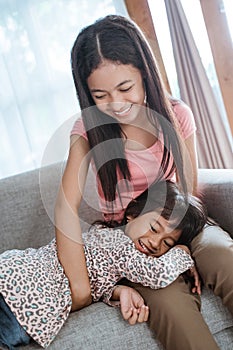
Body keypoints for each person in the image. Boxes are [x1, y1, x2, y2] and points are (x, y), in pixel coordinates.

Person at [55, 14, 233, 350]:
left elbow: (190, 188)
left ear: (145, 75)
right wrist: (79, 287)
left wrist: (181, 245)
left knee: (223, 256)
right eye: (101, 95)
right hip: (133, 240)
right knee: (170, 305)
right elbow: (66, 206)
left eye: (125, 88)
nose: (116, 103)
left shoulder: (177, 115)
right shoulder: (87, 132)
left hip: (182, 219)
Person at [0, 181, 204, 349]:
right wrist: (182, 253)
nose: (155, 242)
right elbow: (157, 274)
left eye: (167, 243)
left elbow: (97, 279)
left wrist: (117, 292)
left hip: (14, 277)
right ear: (132, 214)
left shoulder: (106, 242)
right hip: (19, 297)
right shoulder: (121, 246)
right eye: (153, 228)